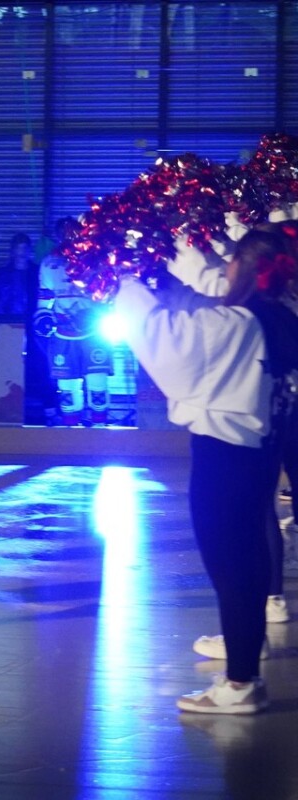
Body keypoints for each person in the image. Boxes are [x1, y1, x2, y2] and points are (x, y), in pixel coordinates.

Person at [114, 224, 298, 714]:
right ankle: (244, 673)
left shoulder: (236, 323)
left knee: (230, 567)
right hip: (259, 452)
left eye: (232, 260)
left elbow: (166, 340)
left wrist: (124, 283)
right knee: (248, 562)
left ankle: (239, 683)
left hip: (225, 456)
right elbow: (198, 310)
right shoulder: (280, 316)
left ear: (244, 268)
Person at [35, 217, 112, 426]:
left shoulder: (96, 258)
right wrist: (43, 317)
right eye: (64, 233)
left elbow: (108, 293)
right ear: (58, 235)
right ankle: (72, 428)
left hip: (94, 332)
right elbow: (44, 298)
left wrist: (97, 313)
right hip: (63, 333)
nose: (69, 236)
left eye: (73, 232)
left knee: (98, 383)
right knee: (67, 387)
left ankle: (100, 429)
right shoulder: (49, 263)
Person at [0, 232, 36, 315]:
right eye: (18, 248)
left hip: (33, 320)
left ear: (29, 250)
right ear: (13, 251)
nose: (22, 252)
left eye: (25, 248)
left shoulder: (38, 274)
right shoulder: (1, 275)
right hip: (8, 321)